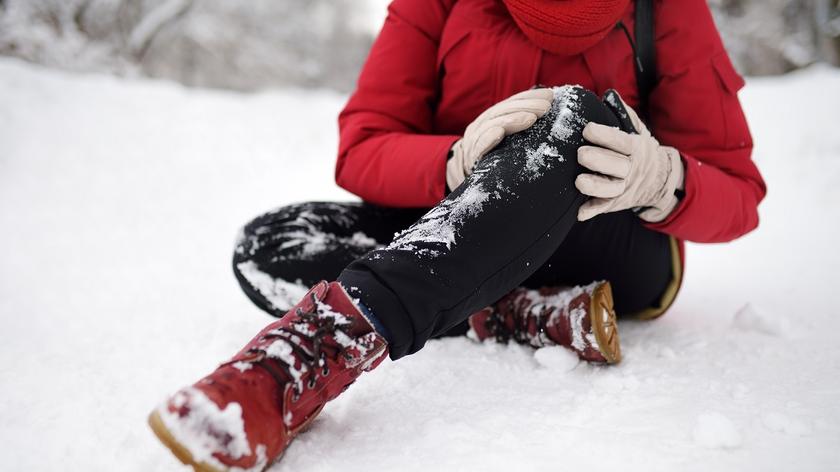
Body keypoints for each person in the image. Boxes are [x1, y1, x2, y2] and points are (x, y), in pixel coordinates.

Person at [148, 0, 766, 470]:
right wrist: (454, 160)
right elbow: (363, 144)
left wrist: (663, 179)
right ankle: (506, 312)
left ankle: (314, 351)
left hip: (607, 245)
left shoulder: (667, 8)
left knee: (574, 119)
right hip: (456, 219)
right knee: (272, 245)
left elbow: (740, 192)